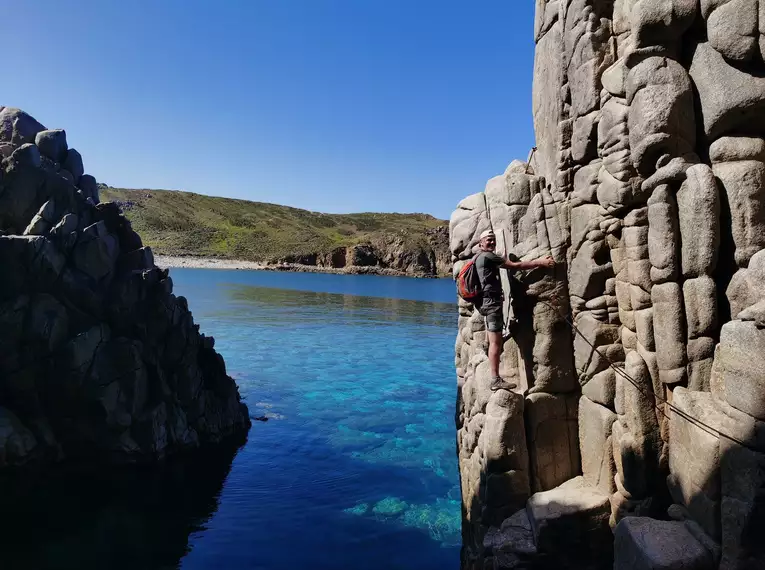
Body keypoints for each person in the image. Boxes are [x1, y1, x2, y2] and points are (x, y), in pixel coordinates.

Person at [475, 229, 555, 391]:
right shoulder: (489, 257)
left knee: (492, 337)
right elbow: (514, 265)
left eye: (493, 239)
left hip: (486, 302)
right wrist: (540, 262)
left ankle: (487, 350)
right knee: (496, 342)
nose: (491, 242)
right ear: (481, 243)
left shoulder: (479, 257)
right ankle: (495, 379)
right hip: (491, 304)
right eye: (488, 240)